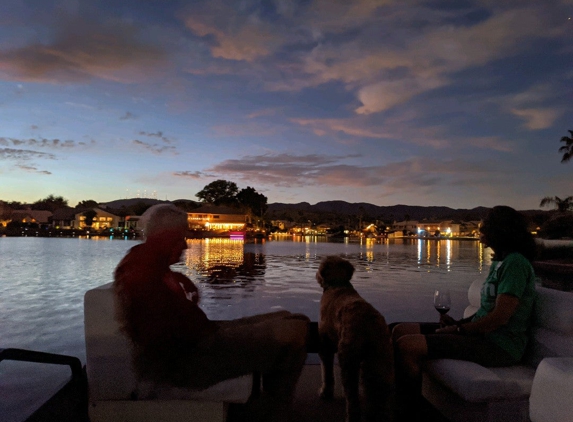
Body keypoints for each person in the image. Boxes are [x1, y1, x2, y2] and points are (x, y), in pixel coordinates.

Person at [114, 204, 309, 421]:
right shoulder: (143, 274)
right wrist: (208, 331)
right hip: (182, 363)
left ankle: (267, 402)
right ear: (168, 237)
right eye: (182, 238)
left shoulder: (145, 263)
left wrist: (180, 285)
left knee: (289, 317)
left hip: (197, 341)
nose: (186, 245)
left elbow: (166, 317)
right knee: (295, 330)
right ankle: (274, 414)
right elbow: (165, 338)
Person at [392, 206, 537, 417]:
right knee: (399, 330)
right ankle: (397, 398)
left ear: (499, 232)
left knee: (407, 345)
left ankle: (409, 411)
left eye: (484, 228)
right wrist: (458, 323)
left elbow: (500, 318)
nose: (480, 233)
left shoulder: (515, 264)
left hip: (500, 346)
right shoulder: (501, 263)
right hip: (483, 336)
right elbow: (486, 312)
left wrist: (459, 330)